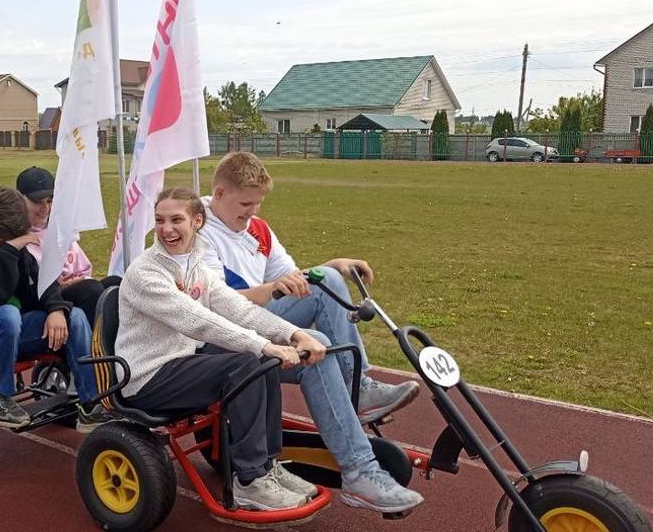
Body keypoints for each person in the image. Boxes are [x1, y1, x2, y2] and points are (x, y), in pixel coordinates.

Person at [116, 187, 423, 514]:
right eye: (160, 220)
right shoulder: (146, 273)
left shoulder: (197, 269)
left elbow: (239, 309)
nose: (166, 229)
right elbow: (199, 322)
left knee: (259, 359)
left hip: (183, 362)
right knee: (247, 363)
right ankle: (250, 480)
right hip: (148, 376)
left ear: (197, 221)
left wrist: (292, 335)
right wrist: (266, 345)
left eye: (176, 220)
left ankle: (272, 466)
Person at [198, 152, 420, 423]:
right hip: (223, 334)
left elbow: (294, 281)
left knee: (325, 280)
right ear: (219, 193)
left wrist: (333, 265)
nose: (253, 211)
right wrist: (271, 289)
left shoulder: (257, 228)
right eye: (246, 203)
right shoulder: (198, 230)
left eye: (258, 203)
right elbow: (213, 302)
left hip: (258, 320)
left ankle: (357, 390)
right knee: (321, 317)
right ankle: (357, 391)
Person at [0, 185, 105, 433]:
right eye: (4, 239)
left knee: (75, 315)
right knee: (7, 314)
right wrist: (9, 251)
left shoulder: (9, 241)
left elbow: (42, 284)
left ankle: (90, 404)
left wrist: (56, 310)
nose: (10, 243)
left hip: (13, 335)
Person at [15, 166, 121, 325]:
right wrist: (59, 286)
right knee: (91, 289)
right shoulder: (17, 236)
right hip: (42, 301)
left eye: (50, 201)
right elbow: (26, 285)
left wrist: (78, 279)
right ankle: (93, 347)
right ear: (19, 199)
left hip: (73, 288)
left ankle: (117, 343)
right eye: (37, 202)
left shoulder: (58, 229)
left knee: (116, 283)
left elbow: (81, 267)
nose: (45, 208)